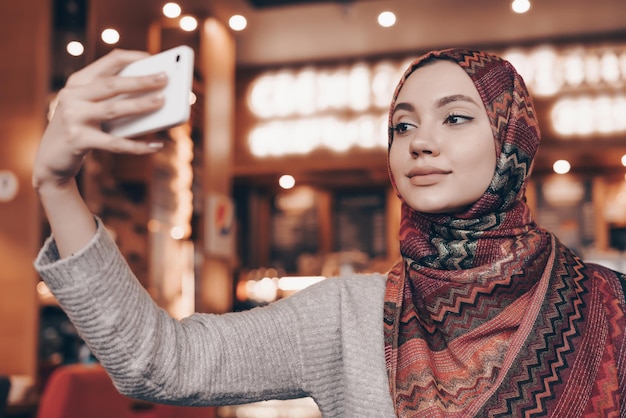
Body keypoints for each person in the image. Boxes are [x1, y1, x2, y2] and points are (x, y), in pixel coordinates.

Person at [33, 48, 626, 417]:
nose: (420, 141)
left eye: (456, 117)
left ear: (512, 141)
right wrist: (57, 185)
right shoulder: (348, 317)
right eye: (402, 124)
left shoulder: (609, 303)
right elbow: (158, 361)